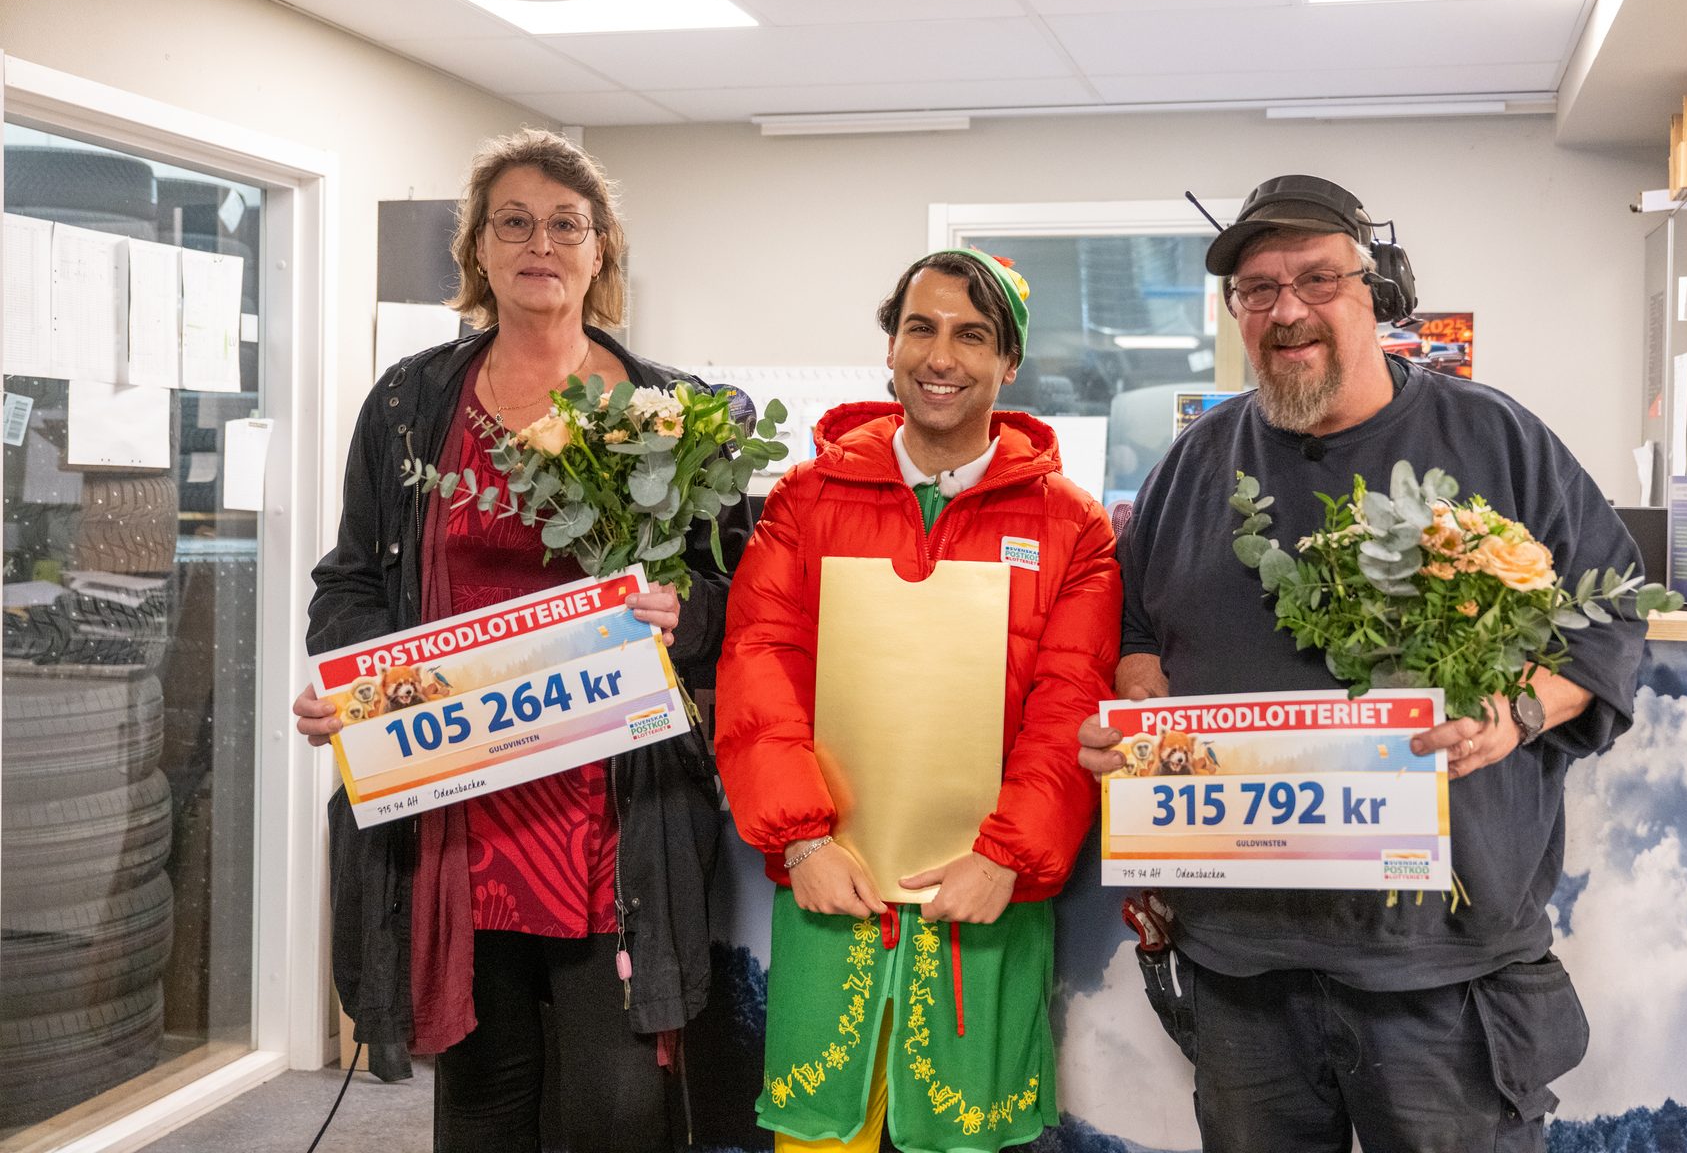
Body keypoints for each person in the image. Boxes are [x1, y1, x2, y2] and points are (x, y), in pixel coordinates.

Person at [1077, 175, 1650, 1153]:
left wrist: (1512, 713)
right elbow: (1131, 624)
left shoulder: (1495, 439)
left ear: (1376, 290)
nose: (1286, 308)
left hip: (1440, 977)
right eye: (1257, 288)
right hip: (1243, 969)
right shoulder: (1195, 463)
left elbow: (1611, 620)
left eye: (1316, 277)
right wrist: (1140, 712)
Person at [293, 128, 748, 1151]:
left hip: (612, 814)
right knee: (485, 1095)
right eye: (513, 221)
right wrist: (353, 686)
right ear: (479, 250)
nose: (539, 241)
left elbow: (736, 599)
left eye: (565, 224)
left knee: (618, 1105)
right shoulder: (411, 407)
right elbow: (352, 580)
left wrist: (690, 615)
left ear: (600, 252)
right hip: (458, 803)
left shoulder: (678, 414)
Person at [716, 249, 1119, 1153]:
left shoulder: (1070, 524)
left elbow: (1070, 702)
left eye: (972, 335)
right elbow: (758, 665)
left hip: (985, 896)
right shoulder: (806, 498)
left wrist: (1010, 856)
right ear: (891, 347)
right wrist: (802, 839)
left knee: (966, 1134)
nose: (942, 355)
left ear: (1008, 363)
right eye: (921, 328)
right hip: (834, 884)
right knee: (826, 1135)